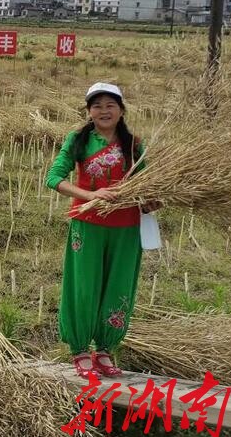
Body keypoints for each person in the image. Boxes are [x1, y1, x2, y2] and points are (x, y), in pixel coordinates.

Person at [45, 82, 158, 379]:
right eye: (97, 105)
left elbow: (146, 185)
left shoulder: (133, 144)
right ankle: (80, 349)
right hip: (88, 224)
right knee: (84, 285)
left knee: (118, 287)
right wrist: (91, 196)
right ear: (88, 111)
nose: (104, 111)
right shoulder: (79, 140)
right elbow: (54, 178)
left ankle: (105, 349)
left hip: (126, 228)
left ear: (121, 111)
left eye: (110, 105)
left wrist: (151, 201)